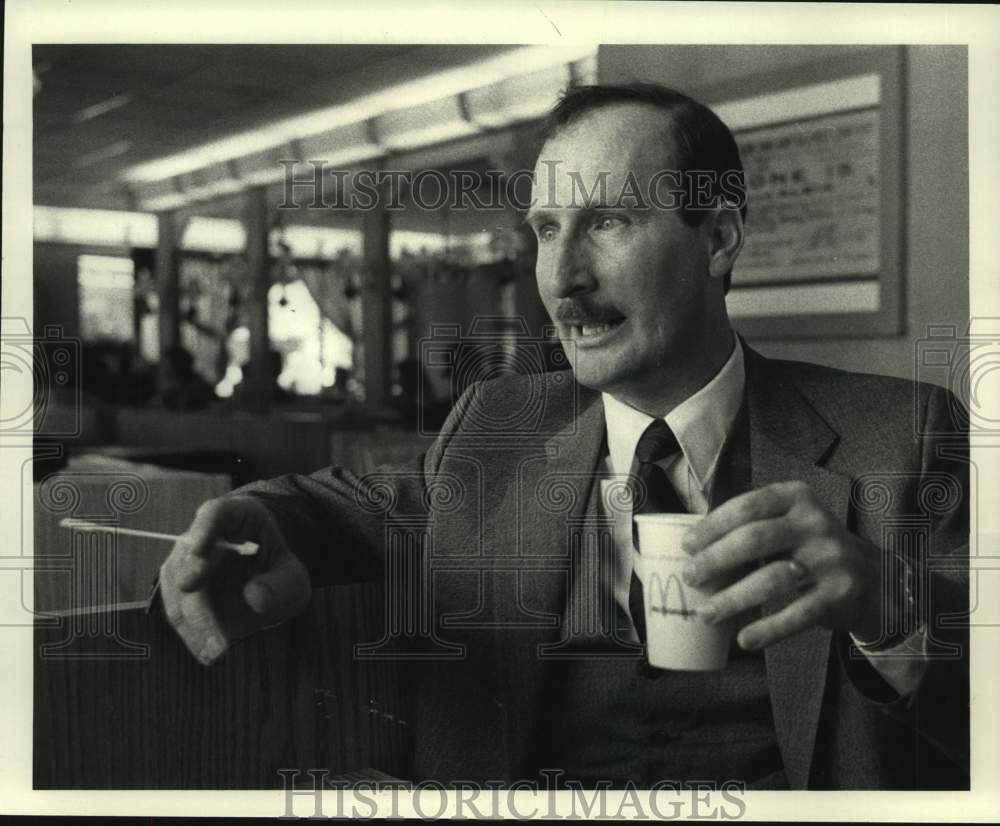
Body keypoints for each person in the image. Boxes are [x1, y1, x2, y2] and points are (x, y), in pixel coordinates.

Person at [157, 83, 969, 790]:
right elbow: (333, 510)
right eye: (547, 229)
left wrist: (888, 604)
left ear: (718, 240)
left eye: (607, 221)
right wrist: (256, 522)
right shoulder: (498, 427)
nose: (561, 279)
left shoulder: (901, 435)